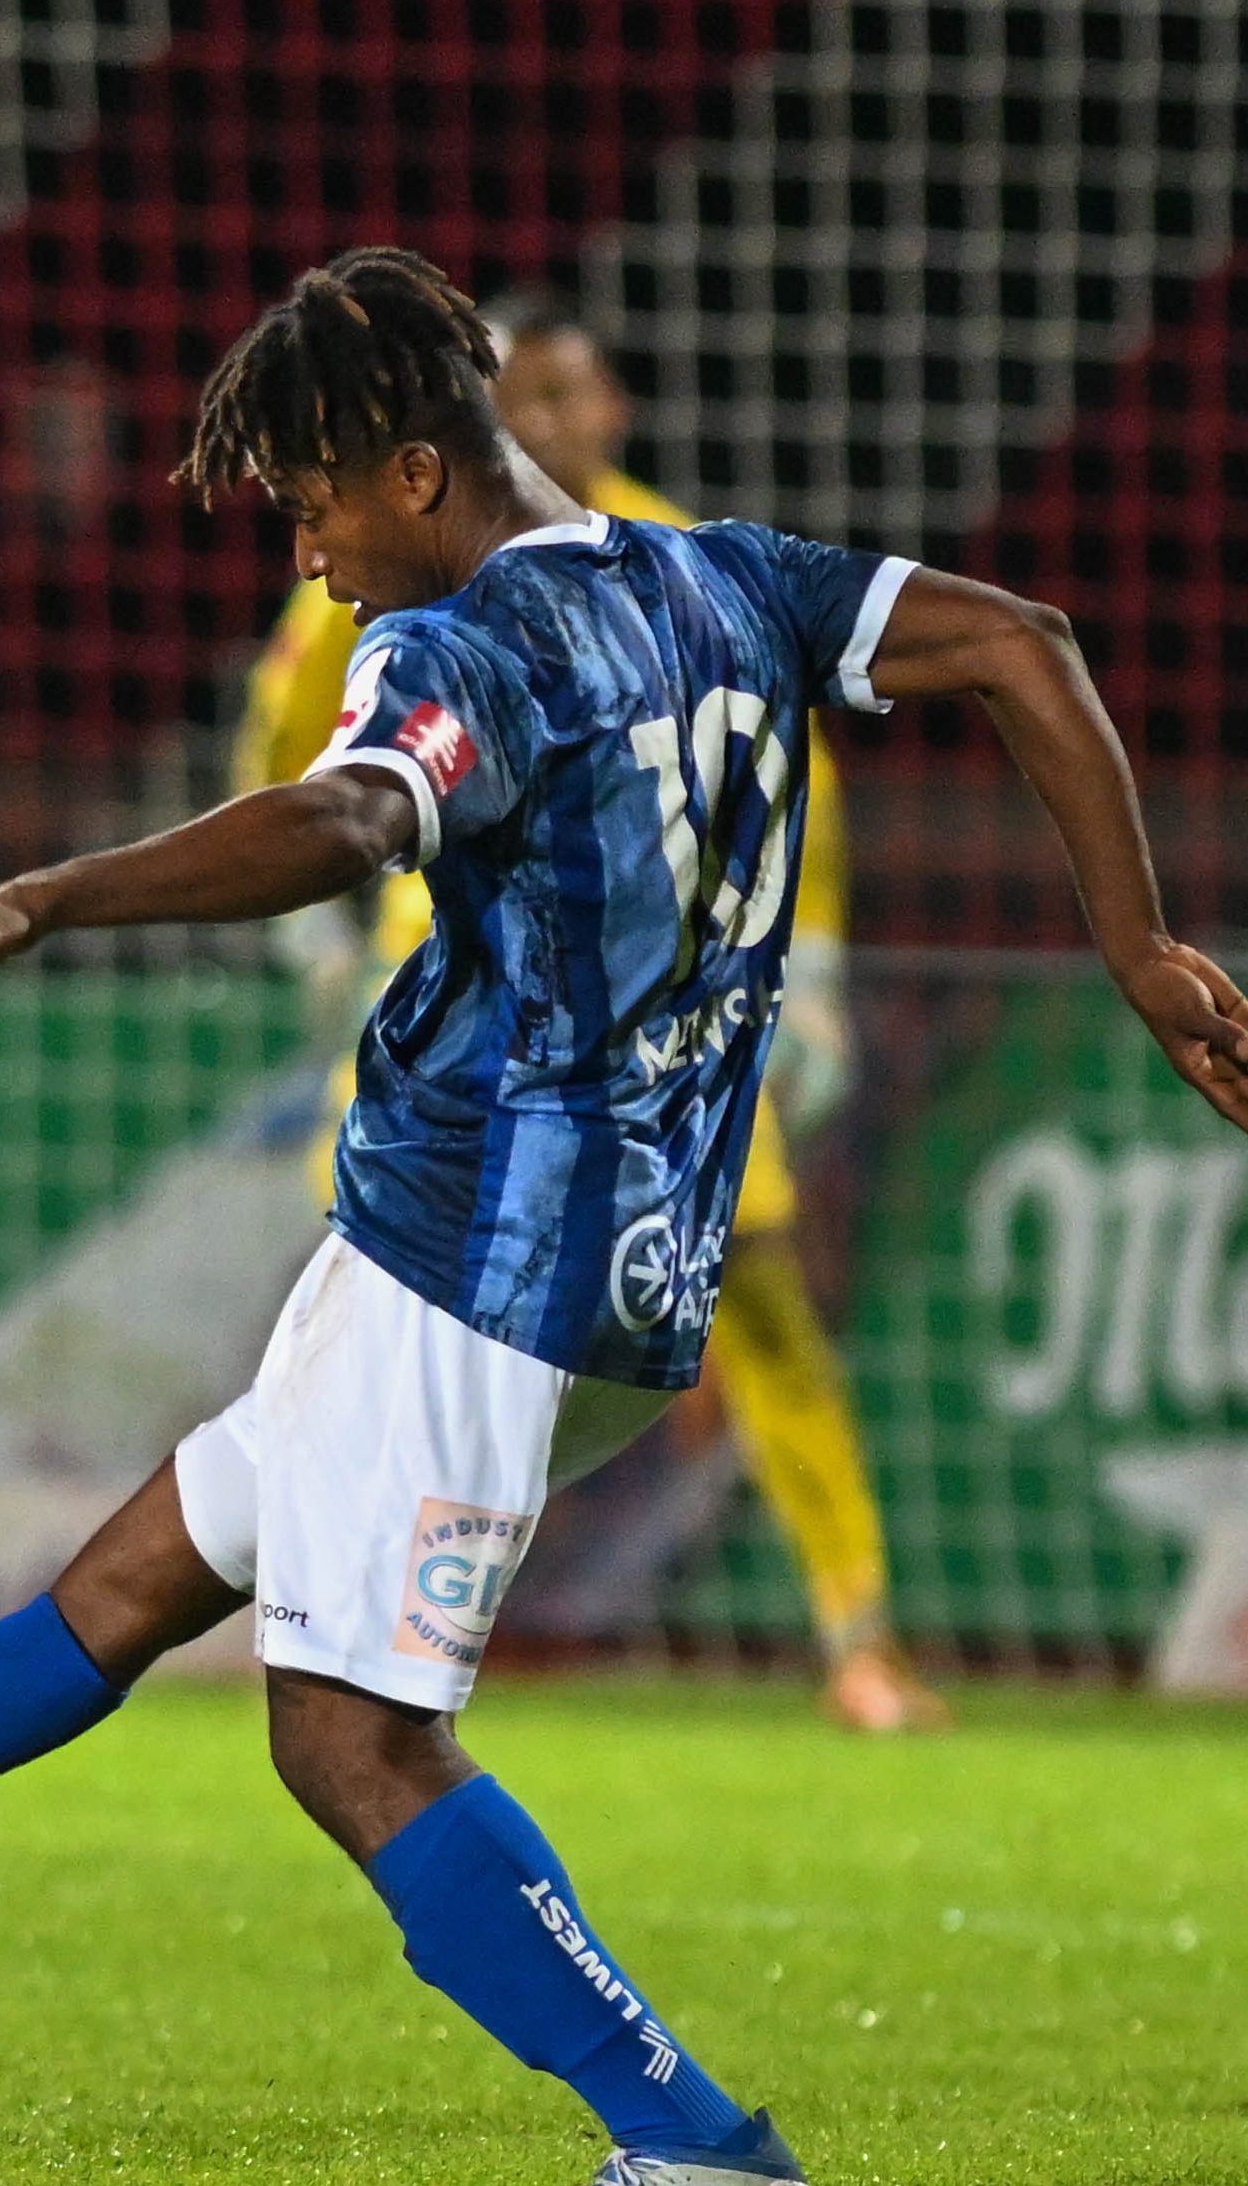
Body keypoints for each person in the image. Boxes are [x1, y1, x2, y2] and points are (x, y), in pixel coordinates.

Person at [0, 249, 1248, 2186]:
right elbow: (1020, 641)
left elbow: (343, 822)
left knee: (342, 1732)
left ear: (414, 468)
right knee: (142, 1569)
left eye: (318, 506)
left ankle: (686, 2132)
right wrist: (1131, 940)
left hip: (483, 1256)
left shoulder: (460, 645)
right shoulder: (717, 574)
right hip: (609, 1265)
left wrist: (40, 896)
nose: (315, 554)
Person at [234, 292, 942, 1731]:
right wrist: (309, 923)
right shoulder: (390, 562)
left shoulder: (681, 560)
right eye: (513, 397)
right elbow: (285, 733)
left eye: (562, 395)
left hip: (662, 1013)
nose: (540, 422)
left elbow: (787, 760)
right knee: (382, 1305)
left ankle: (859, 1637)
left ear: (609, 410)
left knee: (763, 1301)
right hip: (450, 1010)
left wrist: (809, 970)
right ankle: (340, 1617)